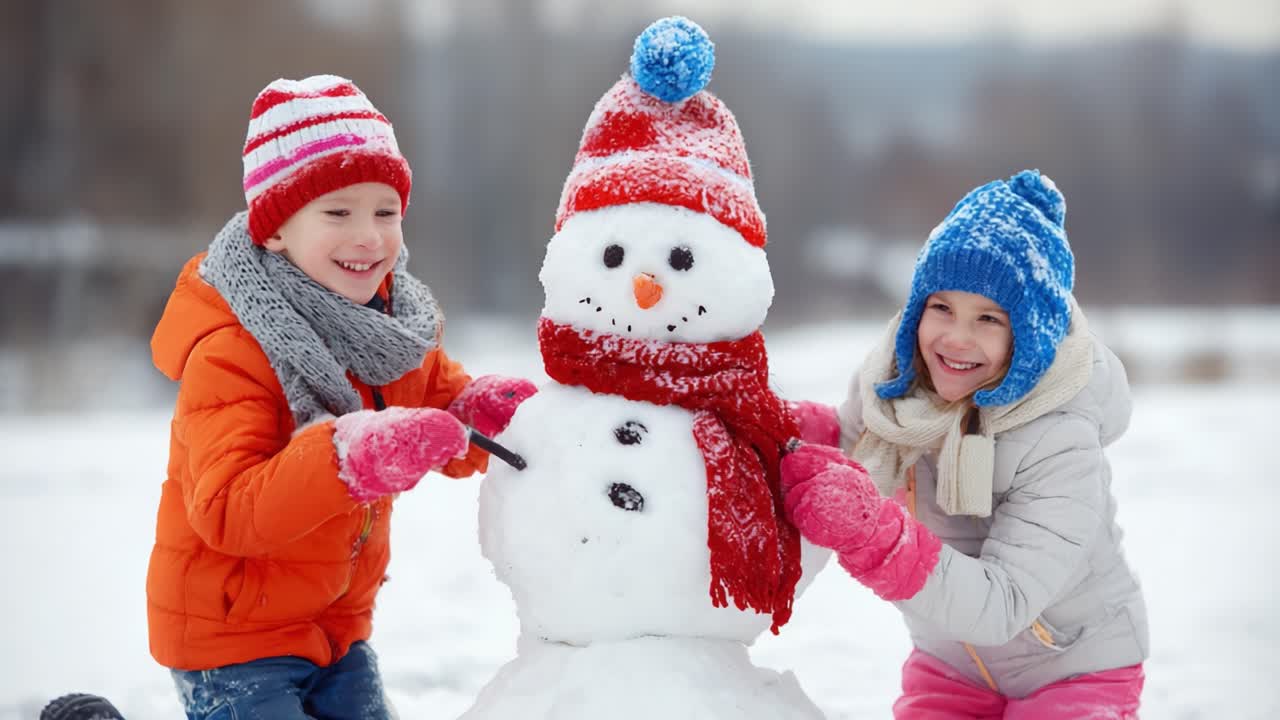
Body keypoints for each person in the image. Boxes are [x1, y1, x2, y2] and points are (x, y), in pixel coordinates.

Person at [146, 74, 534, 719]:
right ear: (275, 231)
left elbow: (439, 406)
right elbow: (226, 510)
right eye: (338, 212)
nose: (370, 237)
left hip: (338, 628)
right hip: (231, 637)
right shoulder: (234, 349)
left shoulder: (392, 330)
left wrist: (479, 411)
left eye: (386, 212)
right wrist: (349, 459)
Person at [781, 170, 1149, 718]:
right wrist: (765, 425)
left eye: (988, 319)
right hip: (953, 664)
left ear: (1028, 336)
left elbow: (1004, 605)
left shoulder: (1060, 437)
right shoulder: (894, 385)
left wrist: (873, 536)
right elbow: (854, 439)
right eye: (942, 308)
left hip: (1076, 664)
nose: (956, 337)